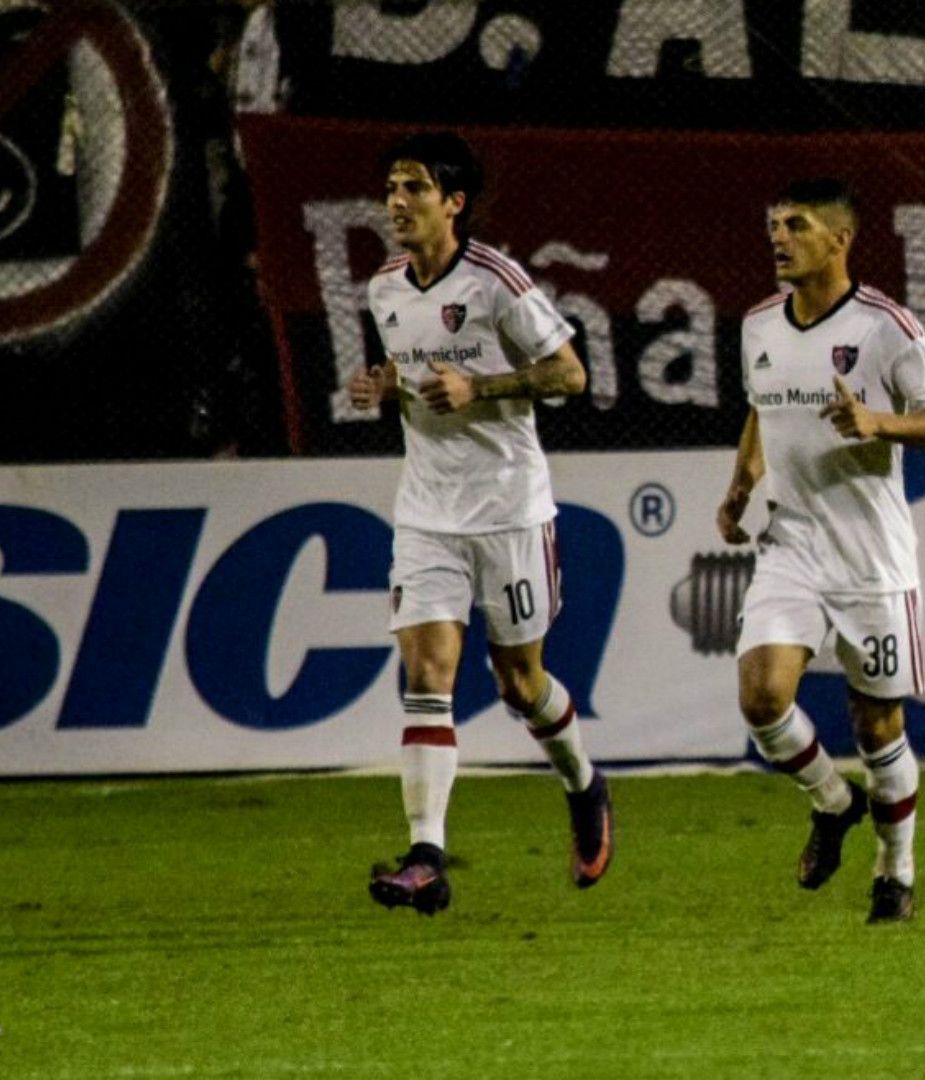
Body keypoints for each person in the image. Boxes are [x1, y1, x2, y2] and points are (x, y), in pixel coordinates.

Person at [347, 131, 612, 917]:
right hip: (426, 512)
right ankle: (426, 854)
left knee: (518, 684)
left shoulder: (498, 281)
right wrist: (387, 387)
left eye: (415, 188)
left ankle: (583, 782)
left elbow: (569, 373)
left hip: (508, 509)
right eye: (392, 187)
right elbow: (415, 370)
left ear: (453, 203)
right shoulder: (384, 288)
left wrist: (484, 387)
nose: (397, 202)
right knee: (427, 674)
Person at [718, 178, 925, 924]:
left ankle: (896, 871)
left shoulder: (885, 325)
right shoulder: (760, 324)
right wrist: (739, 485)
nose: (778, 238)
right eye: (773, 224)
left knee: (877, 727)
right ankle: (832, 800)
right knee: (762, 696)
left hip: (870, 558)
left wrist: (877, 423)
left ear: (839, 240)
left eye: (794, 225)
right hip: (791, 542)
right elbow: (762, 411)